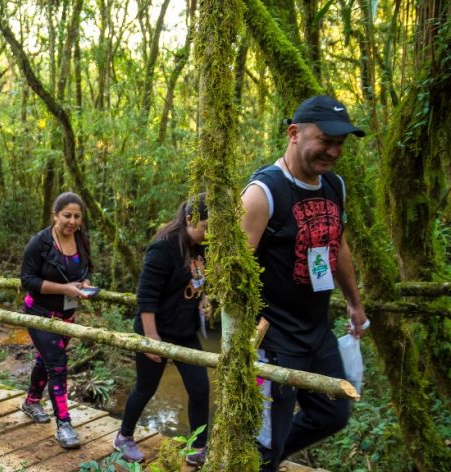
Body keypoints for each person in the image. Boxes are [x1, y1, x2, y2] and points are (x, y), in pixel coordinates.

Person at [240, 95, 368, 472]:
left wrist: (354, 301)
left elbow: (337, 243)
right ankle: (262, 458)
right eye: (325, 140)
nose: (333, 151)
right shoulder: (262, 193)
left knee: (334, 414)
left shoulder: (334, 186)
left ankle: (270, 457)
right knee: (265, 440)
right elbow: (233, 271)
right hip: (272, 339)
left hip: (317, 332)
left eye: (340, 143)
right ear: (294, 133)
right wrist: (243, 337)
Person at [114, 194, 210, 465]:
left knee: (200, 388)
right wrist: (151, 339)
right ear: (191, 220)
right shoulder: (164, 247)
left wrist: (204, 300)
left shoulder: (201, 247)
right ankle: (124, 436)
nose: (210, 234)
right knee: (146, 388)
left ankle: (198, 446)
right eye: (207, 227)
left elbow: (198, 280)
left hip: (186, 332)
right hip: (155, 330)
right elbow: (146, 296)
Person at [18, 192, 95, 449]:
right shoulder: (39, 243)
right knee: (58, 364)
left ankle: (31, 401)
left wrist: (84, 285)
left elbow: (85, 269)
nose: (72, 221)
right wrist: (64, 289)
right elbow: (27, 281)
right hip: (40, 313)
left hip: (67, 314)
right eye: (67, 216)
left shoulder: (81, 239)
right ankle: (64, 424)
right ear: (55, 215)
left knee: (46, 360)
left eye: (77, 216)